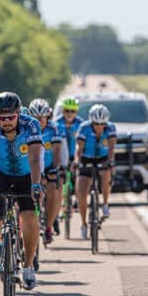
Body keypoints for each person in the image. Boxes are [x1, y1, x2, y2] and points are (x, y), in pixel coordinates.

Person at [0, 92, 44, 290]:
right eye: (1, 118)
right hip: (1, 174)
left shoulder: (31, 125)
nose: (6, 122)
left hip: (26, 175)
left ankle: (29, 267)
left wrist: (36, 185)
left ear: (18, 114)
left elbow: (34, 158)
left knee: (30, 217)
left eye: (11, 118)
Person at [74, 103, 116, 239]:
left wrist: (110, 162)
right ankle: (84, 224)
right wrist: (77, 162)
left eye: (102, 124)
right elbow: (79, 149)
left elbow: (111, 149)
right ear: (91, 122)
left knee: (106, 173)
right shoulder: (84, 128)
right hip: (86, 158)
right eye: (96, 124)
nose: (99, 127)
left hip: (102, 158)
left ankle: (105, 204)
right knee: (81, 191)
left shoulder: (110, 128)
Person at [28, 98, 62, 246]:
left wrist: (54, 169)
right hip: (30, 168)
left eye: (42, 118)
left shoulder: (53, 128)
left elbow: (57, 151)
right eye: (35, 118)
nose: (39, 121)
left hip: (48, 167)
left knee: (53, 189)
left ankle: (48, 226)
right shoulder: (25, 128)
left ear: (47, 116)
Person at [55, 97, 85, 231]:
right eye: (67, 110)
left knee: (78, 181)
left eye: (72, 111)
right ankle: (61, 204)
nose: (69, 113)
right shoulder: (56, 123)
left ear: (76, 112)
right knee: (60, 182)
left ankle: (77, 201)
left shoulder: (81, 124)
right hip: (61, 157)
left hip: (76, 157)